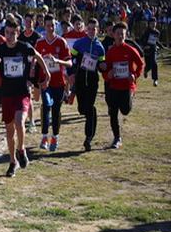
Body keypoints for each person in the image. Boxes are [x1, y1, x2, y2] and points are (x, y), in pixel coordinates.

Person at [0, 19, 50, 177]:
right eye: (7, 33)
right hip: (6, 94)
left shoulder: (24, 47)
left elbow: (38, 56)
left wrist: (47, 73)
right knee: (9, 132)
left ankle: (21, 150)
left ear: (17, 33)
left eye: (12, 33)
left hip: (22, 92)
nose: (9, 36)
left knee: (19, 121)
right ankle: (12, 161)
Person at [103, 22, 144, 148]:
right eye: (118, 34)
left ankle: (131, 97)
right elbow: (106, 71)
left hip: (127, 86)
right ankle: (117, 138)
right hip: (114, 86)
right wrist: (108, 75)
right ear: (113, 35)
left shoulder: (131, 50)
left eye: (123, 34)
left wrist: (135, 75)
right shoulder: (110, 52)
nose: (121, 36)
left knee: (125, 111)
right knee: (113, 112)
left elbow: (141, 64)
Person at [34, 15, 72, 151]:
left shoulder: (61, 42)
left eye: (52, 25)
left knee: (56, 110)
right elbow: (35, 61)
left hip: (59, 83)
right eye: (48, 25)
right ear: (44, 26)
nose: (50, 28)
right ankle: (44, 136)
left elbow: (69, 62)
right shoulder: (40, 43)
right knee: (46, 106)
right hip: (46, 82)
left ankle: (55, 137)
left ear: (55, 26)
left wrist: (57, 61)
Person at [69, 18, 106, 152]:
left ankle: (88, 138)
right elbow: (71, 60)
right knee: (82, 109)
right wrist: (72, 73)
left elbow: (102, 66)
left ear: (97, 30)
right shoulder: (79, 44)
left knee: (89, 108)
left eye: (94, 29)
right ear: (86, 29)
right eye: (89, 28)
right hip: (80, 80)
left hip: (92, 82)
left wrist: (103, 67)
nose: (91, 31)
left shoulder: (100, 48)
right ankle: (91, 113)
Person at [139, 17, 162, 87]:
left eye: (154, 23)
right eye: (152, 23)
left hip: (153, 50)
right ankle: (146, 70)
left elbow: (156, 41)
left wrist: (161, 46)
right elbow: (141, 41)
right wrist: (144, 46)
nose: (153, 24)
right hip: (147, 51)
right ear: (149, 24)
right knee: (149, 65)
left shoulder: (157, 32)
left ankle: (155, 80)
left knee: (154, 63)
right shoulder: (146, 32)